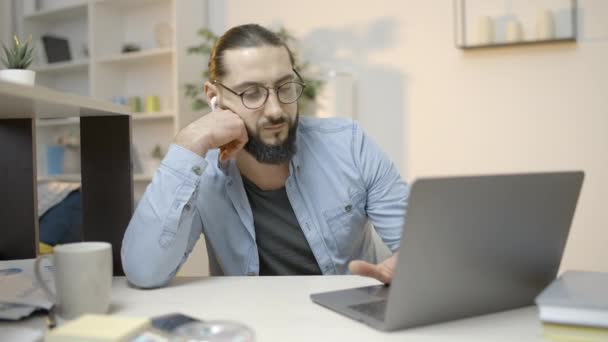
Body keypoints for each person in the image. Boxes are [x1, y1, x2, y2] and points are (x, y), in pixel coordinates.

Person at [121, 24, 409, 288]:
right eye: (252, 93)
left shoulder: (349, 144)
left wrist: (411, 264)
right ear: (214, 97)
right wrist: (187, 145)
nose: (274, 110)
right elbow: (143, 272)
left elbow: (421, 247)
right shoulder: (200, 174)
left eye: (284, 87)